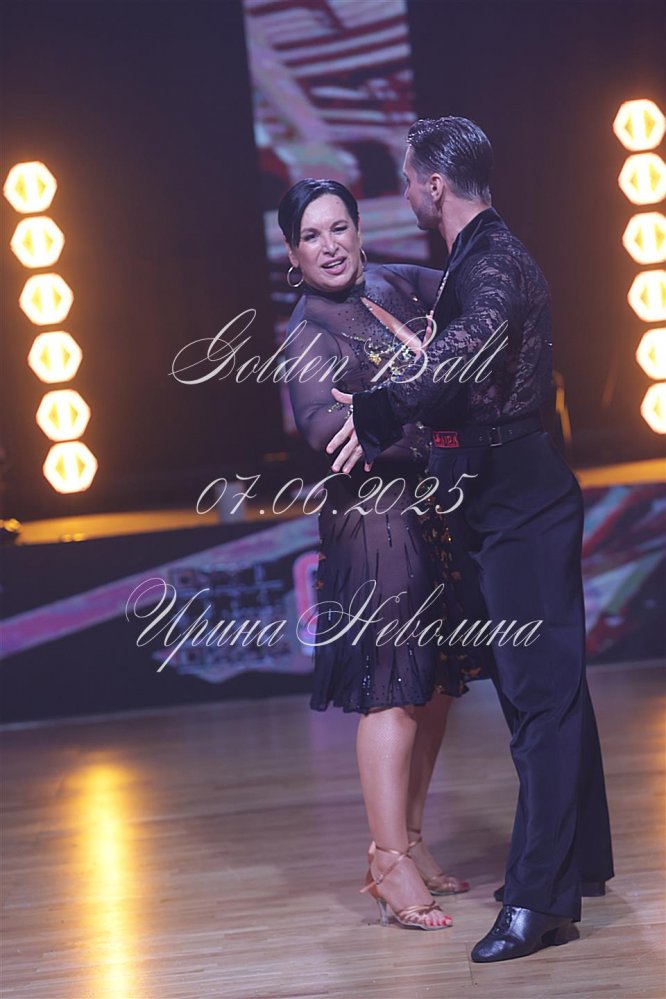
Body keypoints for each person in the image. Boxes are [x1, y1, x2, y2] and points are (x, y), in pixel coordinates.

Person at [326, 117, 614, 962]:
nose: (404, 193)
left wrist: (376, 409)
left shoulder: (491, 262)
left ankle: (540, 903)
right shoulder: (477, 255)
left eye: (407, 180)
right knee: (547, 692)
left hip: (520, 500)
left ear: (435, 185)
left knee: (540, 700)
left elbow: (460, 355)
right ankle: (578, 863)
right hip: (498, 496)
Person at [277, 178, 488, 931]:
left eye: (339, 227)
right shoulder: (309, 327)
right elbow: (319, 426)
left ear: (360, 230)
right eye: (311, 236)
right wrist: (421, 414)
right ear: (293, 254)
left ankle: (414, 838)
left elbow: (477, 289)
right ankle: (387, 859)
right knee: (392, 691)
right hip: (373, 523)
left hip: (427, 509)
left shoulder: (398, 282)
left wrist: (382, 413)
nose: (329, 245)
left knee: (434, 690)